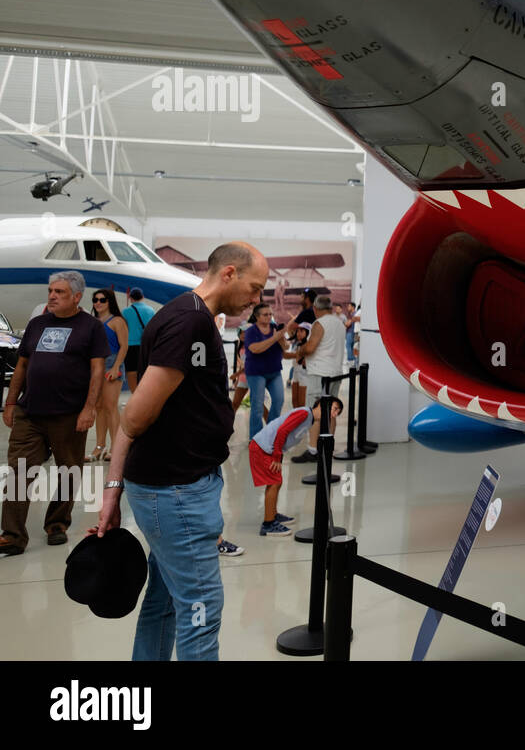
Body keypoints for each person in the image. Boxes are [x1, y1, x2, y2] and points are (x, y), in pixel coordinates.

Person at [92, 242, 268, 660]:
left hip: (167, 488)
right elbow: (134, 418)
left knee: (166, 601)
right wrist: (114, 489)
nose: (257, 299)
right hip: (177, 494)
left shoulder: (182, 314)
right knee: (200, 610)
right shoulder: (189, 321)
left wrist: (113, 490)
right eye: (255, 288)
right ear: (228, 273)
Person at [0, 272, 107, 556]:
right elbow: (22, 365)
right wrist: (11, 403)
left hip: (69, 414)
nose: (52, 296)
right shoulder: (37, 324)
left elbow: (97, 370)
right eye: (50, 290)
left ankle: (57, 524)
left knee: (69, 471)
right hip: (30, 412)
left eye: (59, 291)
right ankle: (12, 535)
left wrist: (89, 408)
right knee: (19, 471)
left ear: (76, 296)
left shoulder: (91, 327)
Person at [249, 398, 342, 536]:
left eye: (337, 413)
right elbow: (282, 431)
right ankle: (268, 524)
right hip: (262, 448)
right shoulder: (304, 414)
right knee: (273, 483)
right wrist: (276, 456)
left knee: (277, 482)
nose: (334, 414)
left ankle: (273, 514)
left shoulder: (309, 419)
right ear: (322, 405)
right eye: (334, 409)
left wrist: (278, 455)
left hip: (268, 449)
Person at [290, 294, 347, 464]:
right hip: (336, 372)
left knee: (316, 412)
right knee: (331, 411)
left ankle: (313, 450)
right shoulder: (339, 323)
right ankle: (327, 446)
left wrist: (301, 351)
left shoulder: (319, 323)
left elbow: (311, 347)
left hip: (320, 374)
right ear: (330, 307)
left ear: (315, 309)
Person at [89, 289, 128, 462]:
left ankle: (116, 447)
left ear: (109, 301)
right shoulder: (93, 321)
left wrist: (116, 367)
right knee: (98, 407)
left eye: (102, 300)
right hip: (95, 365)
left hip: (112, 363)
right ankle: (99, 446)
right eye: (95, 300)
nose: (98, 303)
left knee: (111, 406)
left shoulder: (117, 321)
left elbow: (124, 346)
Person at [243, 303, 289, 441]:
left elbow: (286, 347)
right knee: (257, 407)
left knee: (279, 401)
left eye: (270, 314)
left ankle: (270, 433)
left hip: (274, 371)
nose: (269, 317)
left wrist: (280, 338)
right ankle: (255, 439)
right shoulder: (251, 331)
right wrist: (275, 338)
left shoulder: (275, 328)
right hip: (256, 373)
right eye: (265, 314)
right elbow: (255, 349)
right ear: (257, 317)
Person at [122, 288, 155, 393]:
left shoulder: (125, 312)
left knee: (131, 372)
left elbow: (123, 329)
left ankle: (134, 395)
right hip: (146, 346)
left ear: (130, 298)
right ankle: (145, 395)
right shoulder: (151, 310)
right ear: (143, 297)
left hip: (131, 346)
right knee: (145, 371)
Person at [289, 289, 317, 408]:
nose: (301, 299)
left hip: (305, 362)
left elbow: (291, 326)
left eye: (302, 297)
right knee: (296, 401)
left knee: (301, 403)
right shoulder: (314, 312)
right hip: (301, 361)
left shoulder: (307, 312)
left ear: (307, 299)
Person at [342, 302, 360, 367]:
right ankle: (353, 361)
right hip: (352, 332)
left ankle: (350, 360)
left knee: (348, 346)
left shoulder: (354, 314)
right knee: (352, 346)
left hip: (351, 332)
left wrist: (345, 324)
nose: (347, 308)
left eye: (349, 306)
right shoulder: (352, 314)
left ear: (353, 307)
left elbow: (347, 324)